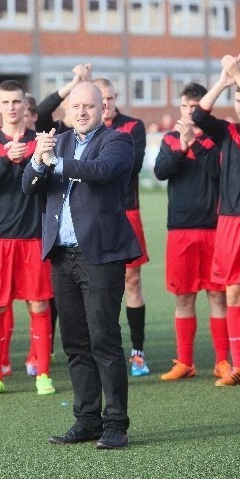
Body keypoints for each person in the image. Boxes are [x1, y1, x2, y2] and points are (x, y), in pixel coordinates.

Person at [23, 82, 142, 449]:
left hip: (101, 255)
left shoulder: (118, 141)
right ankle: (87, 419)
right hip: (62, 255)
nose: (81, 112)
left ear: (103, 108)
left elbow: (102, 170)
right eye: (75, 106)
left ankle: (115, 424)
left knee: (104, 340)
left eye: (89, 105)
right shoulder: (57, 140)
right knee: (75, 343)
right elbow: (29, 186)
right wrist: (36, 161)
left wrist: (55, 162)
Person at [0, 79, 55, 396]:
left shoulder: (42, 141)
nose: (11, 107)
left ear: (26, 107)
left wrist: (40, 159)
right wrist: (8, 159)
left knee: (38, 305)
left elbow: (48, 183)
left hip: (33, 235)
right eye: (5, 102)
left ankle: (43, 374)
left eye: (16, 102)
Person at [154, 83, 229, 381]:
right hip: (180, 229)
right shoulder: (171, 139)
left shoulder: (216, 139)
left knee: (217, 296)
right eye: (186, 107)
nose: (190, 112)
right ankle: (185, 362)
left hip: (214, 228)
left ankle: (222, 361)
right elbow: (161, 172)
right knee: (183, 297)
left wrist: (194, 143)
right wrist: (182, 146)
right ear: (181, 108)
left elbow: (217, 172)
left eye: (195, 108)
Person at [93, 78, 150, 377]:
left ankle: (138, 353)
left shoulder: (132, 126)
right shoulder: (83, 127)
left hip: (127, 211)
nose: (106, 103)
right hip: (94, 213)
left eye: (110, 97)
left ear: (116, 98)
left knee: (132, 282)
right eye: (100, 98)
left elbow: (133, 165)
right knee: (97, 283)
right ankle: (100, 351)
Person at [192, 55, 240, 386]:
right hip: (231, 222)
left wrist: (238, 75)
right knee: (233, 292)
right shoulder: (228, 132)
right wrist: (225, 81)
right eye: (237, 101)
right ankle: (239, 365)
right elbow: (199, 114)